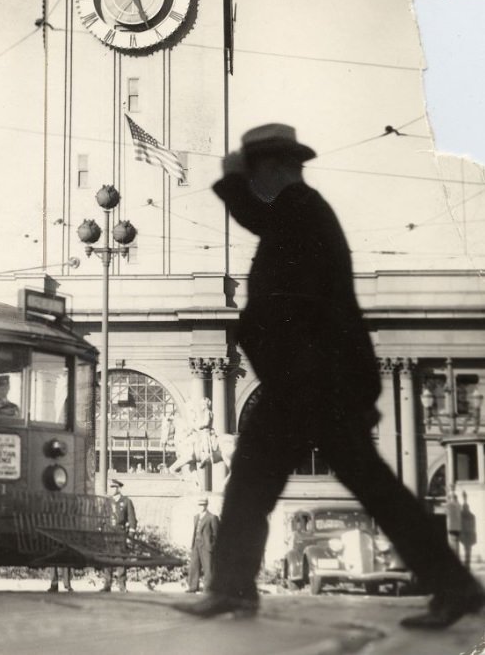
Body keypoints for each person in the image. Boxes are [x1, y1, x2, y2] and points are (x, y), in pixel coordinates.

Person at [175, 124, 484, 630]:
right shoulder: (299, 211)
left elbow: (286, 279)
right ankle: (454, 586)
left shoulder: (299, 212)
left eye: (253, 173)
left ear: (271, 168)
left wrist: (232, 183)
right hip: (312, 378)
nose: (252, 184)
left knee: (260, 481)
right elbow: (258, 219)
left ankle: (232, 590)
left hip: (310, 380)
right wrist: (232, 183)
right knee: (333, 483)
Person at [101, 479, 137, 592]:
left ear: (118, 488)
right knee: (107, 559)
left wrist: (130, 535)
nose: (111, 489)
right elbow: (102, 518)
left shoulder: (126, 501)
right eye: (110, 487)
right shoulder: (107, 502)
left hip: (120, 534)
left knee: (120, 559)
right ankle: (107, 585)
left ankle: (122, 585)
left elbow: (132, 520)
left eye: (114, 487)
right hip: (108, 533)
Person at [186, 497, 219, 593]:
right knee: (194, 566)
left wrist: (212, 545)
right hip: (196, 544)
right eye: (199, 505)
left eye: (203, 505)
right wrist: (193, 544)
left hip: (206, 546)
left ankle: (208, 588)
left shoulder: (212, 517)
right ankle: (193, 587)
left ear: (206, 505)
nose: (201, 507)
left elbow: (216, 534)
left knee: (208, 568)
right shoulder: (196, 516)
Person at [460, 492, 476, 568]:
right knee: (468, 549)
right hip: (470, 534)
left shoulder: (463, 515)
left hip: (466, 534)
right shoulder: (472, 516)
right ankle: (467, 563)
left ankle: (467, 564)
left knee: (466, 549)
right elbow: (473, 527)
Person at [446, 489, 463, 554]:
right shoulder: (458, 505)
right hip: (458, 528)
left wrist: (448, 498)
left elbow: (447, 512)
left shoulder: (449, 505)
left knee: (452, 545)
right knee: (456, 544)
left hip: (451, 527)